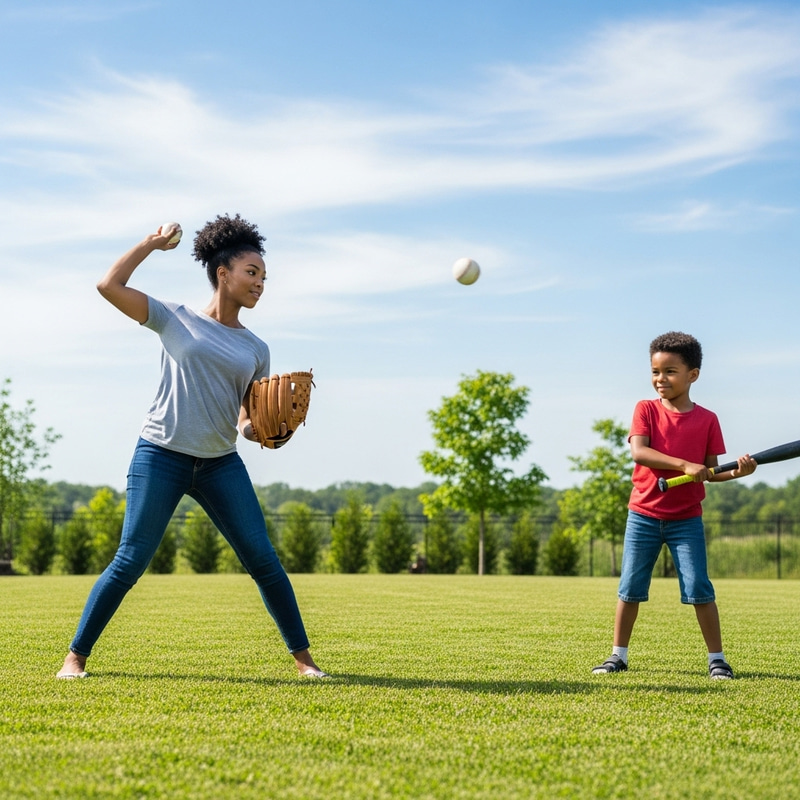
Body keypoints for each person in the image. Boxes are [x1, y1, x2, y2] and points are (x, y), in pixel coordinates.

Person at [58, 214, 328, 679]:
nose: (260, 284)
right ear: (223, 273)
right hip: (160, 455)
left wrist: (261, 433)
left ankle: (305, 664)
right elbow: (109, 285)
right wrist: (151, 243)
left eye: (264, 277)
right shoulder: (174, 318)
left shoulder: (258, 349)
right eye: (251, 272)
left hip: (220, 463)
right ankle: (75, 658)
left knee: (263, 560)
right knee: (130, 560)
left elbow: (245, 416)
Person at [592, 331, 756, 680]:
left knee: (699, 587)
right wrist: (683, 464)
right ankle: (617, 656)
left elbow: (709, 472)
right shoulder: (646, 410)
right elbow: (639, 451)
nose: (659, 379)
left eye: (669, 371)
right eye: (655, 371)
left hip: (686, 520)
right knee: (630, 587)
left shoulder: (707, 419)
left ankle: (717, 659)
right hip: (644, 516)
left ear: (692, 375)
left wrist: (739, 472)